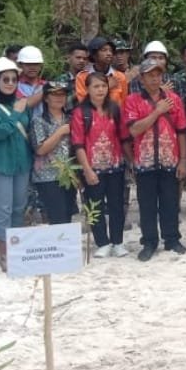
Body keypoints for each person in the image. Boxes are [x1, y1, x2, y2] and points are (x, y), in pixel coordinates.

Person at [123, 58, 186, 260]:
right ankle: (149, 242)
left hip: (170, 159)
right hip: (145, 162)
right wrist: (157, 111)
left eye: (158, 74)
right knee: (147, 205)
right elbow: (134, 130)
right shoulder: (132, 100)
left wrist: (183, 160)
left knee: (170, 203)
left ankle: (172, 239)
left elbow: (182, 131)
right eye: (150, 75)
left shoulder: (174, 98)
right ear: (141, 79)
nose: (154, 79)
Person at [0, 57, 34, 272]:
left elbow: (27, 130)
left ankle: (16, 250)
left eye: (13, 79)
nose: (10, 83)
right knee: (3, 209)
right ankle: (5, 255)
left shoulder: (19, 103)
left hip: (21, 164)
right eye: (5, 79)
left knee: (19, 208)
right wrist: (17, 113)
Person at [73, 72, 130, 258]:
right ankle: (102, 242)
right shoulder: (80, 112)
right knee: (95, 205)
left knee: (117, 204)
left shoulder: (115, 109)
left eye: (104, 86)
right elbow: (78, 144)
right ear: (87, 89)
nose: (100, 90)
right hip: (92, 167)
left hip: (115, 166)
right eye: (96, 86)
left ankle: (117, 241)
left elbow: (123, 137)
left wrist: (130, 161)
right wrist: (87, 170)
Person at [30, 82, 78, 224]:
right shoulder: (38, 121)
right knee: (57, 217)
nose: (59, 97)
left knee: (68, 215)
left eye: (62, 94)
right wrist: (60, 132)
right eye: (54, 94)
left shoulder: (72, 118)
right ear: (46, 98)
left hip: (70, 175)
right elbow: (40, 149)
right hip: (47, 176)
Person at [74, 36, 129, 105]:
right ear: (94, 55)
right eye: (104, 50)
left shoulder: (120, 77)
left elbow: (123, 104)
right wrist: (107, 87)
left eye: (110, 50)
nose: (109, 53)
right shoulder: (82, 77)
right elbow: (84, 103)